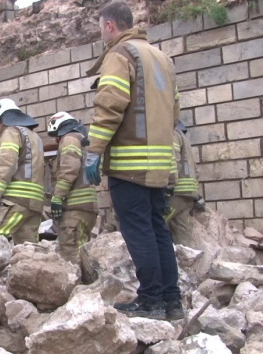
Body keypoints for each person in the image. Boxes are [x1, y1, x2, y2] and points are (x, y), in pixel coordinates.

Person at [83, 1, 184, 321]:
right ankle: (171, 301)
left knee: (139, 231)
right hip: (158, 162)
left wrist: (94, 151)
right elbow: (175, 112)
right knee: (157, 229)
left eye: (100, 26)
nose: (100, 32)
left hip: (130, 163)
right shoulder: (162, 58)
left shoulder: (121, 55)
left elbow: (109, 106)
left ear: (110, 25)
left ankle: (150, 300)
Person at [0, 98, 45, 245]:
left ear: (2, 118)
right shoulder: (34, 136)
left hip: (15, 200)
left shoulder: (11, 132)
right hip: (35, 203)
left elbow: (6, 164)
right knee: (28, 250)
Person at [47, 111, 98, 264]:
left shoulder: (69, 139)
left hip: (74, 209)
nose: (57, 140)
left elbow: (70, 169)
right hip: (85, 208)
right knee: (82, 255)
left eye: (56, 135)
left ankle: (78, 286)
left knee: (70, 257)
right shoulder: (81, 140)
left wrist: (57, 197)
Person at [164, 121, 205, 246]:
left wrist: (167, 189)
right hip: (188, 195)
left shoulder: (172, 134)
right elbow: (196, 171)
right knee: (182, 234)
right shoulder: (184, 139)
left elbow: (173, 163)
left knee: (156, 223)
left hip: (176, 193)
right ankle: (187, 262)